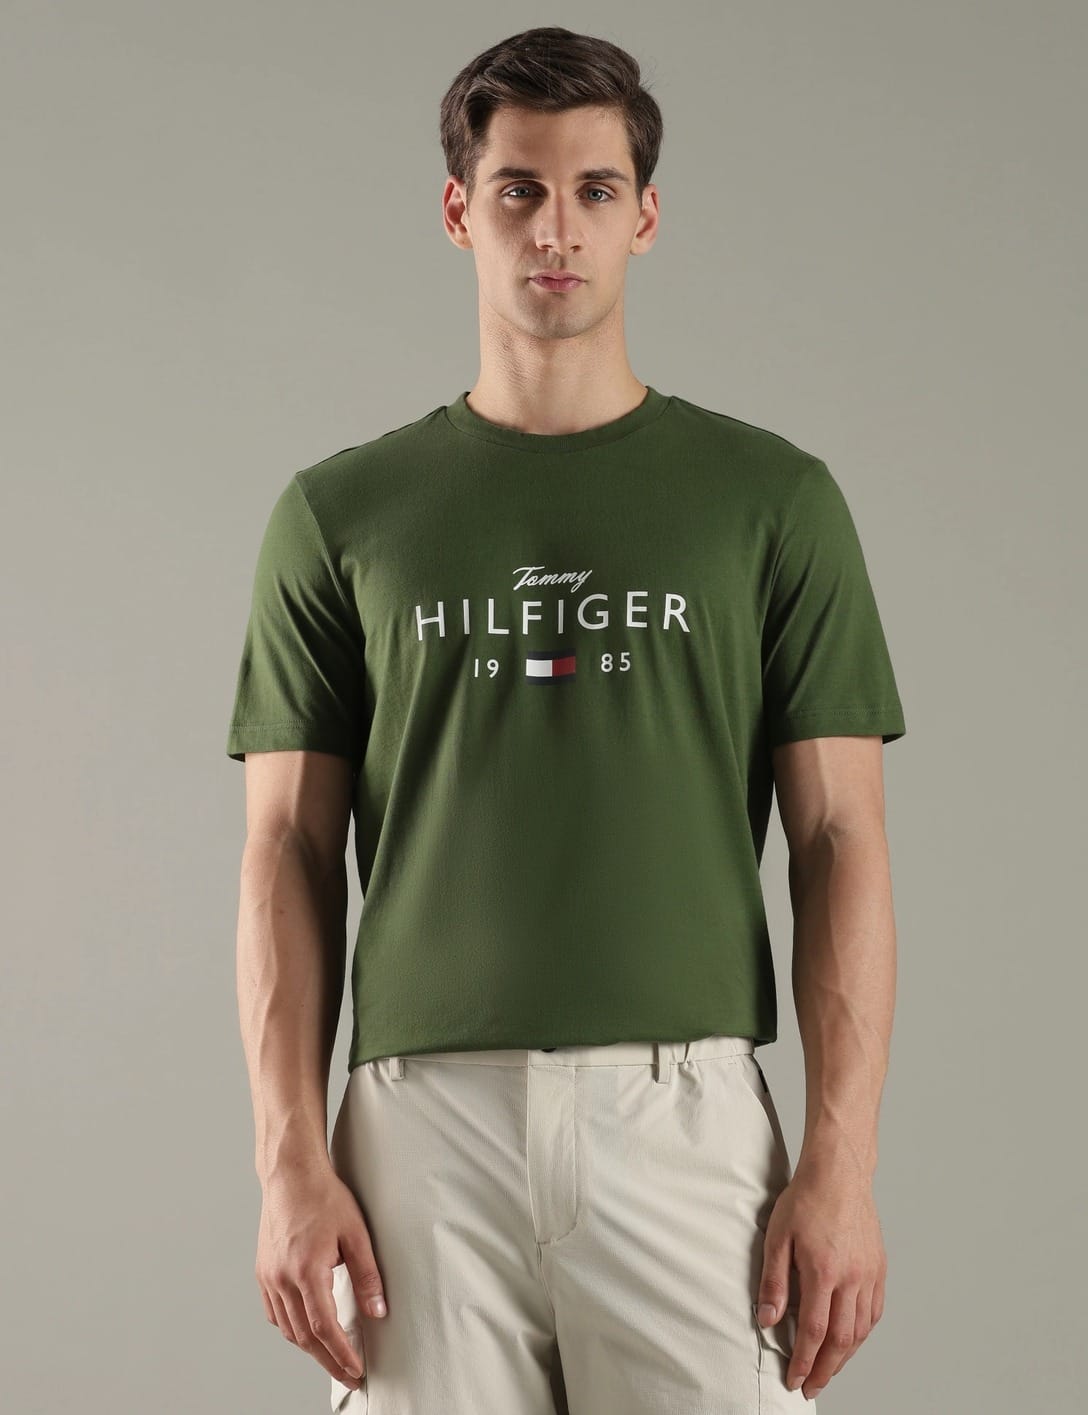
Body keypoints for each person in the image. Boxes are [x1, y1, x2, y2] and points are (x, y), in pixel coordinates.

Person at [225, 25, 906, 1414]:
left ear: (644, 216)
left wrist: (841, 1163)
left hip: (684, 1122)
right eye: (520, 189)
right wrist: (288, 1159)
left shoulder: (770, 501)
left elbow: (840, 838)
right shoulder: (340, 514)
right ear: (459, 209)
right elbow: (284, 851)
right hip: (416, 1134)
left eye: (594, 190)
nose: (556, 229)